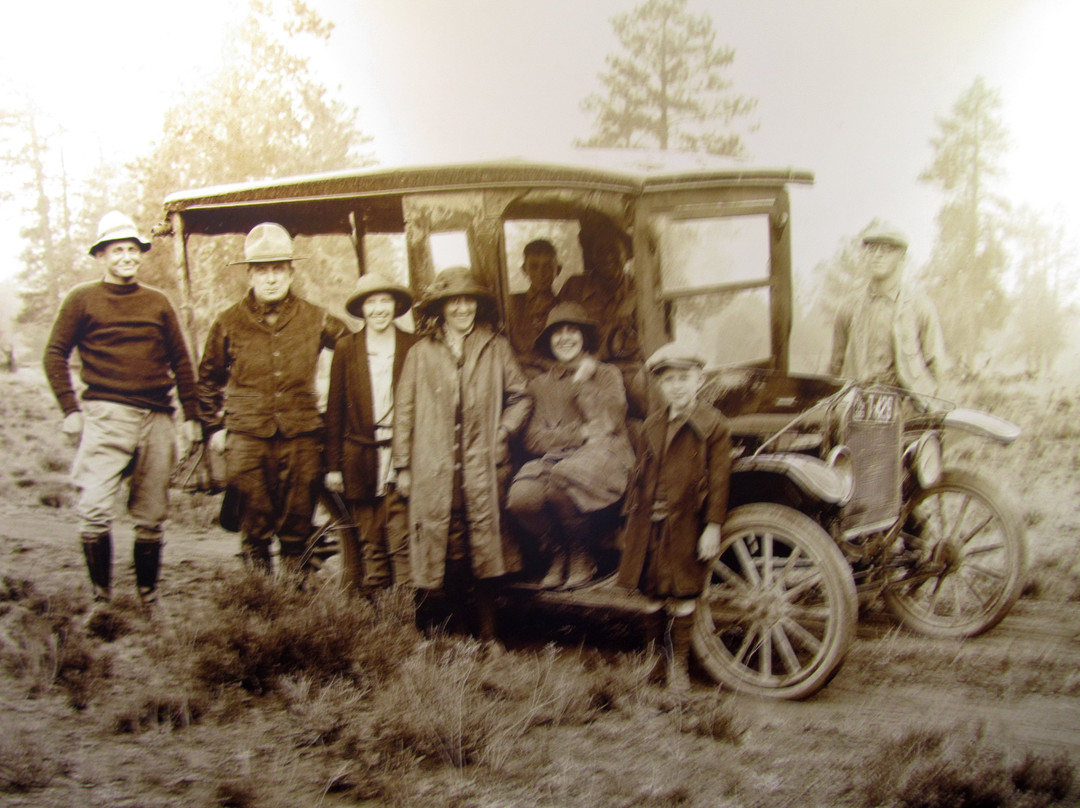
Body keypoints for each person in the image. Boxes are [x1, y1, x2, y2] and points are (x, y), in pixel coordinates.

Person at [44, 210, 202, 608]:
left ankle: (148, 599)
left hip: (158, 419)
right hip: (105, 417)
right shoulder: (82, 299)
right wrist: (70, 409)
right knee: (94, 507)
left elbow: (182, 362)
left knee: (151, 514)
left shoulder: (158, 303)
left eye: (133, 249)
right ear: (102, 255)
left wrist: (193, 419)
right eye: (118, 250)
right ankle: (102, 601)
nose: (127, 256)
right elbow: (54, 354)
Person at [392, 266, 532, 648]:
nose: (462, 309)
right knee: (446, 544)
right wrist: (403, 465)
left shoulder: (495, 347)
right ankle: (452, 634)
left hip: (480, 465)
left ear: (477, 306)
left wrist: (502, 430)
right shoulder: (421, 353)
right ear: (441, 308)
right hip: (433, 467)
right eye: (454, 302)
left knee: (483, 543)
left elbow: (521, 396)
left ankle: (489, 637)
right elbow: (404, 410)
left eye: (468, 301)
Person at [197, 222, 348, 574]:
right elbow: (207, 379)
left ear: (291, 272)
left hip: (302, 436)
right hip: (248, 438)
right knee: (255, 525)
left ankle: (293, 600)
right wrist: (214, 427)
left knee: (297, 523)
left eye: (278, 269)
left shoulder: (316, 317)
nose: (271, 278)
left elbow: (353, 348)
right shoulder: (228, 322)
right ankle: (261, 601)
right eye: (262, 270)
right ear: (250, 275)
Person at [616, 339, 731, 692]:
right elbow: (639, 478)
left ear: (699, 380)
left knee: (683, 593)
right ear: (660, 386)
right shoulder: (651, 425)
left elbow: (719, 480)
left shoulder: (714, 426)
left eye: (684, 378)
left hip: (686, 523)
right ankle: (655, 660)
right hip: (650, 521)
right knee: (651, 592)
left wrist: (712, 526)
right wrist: (630, 523)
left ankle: (679, 665)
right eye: (668, 381)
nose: (676, 386)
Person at [506, 302, 634, 589]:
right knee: (522, 496)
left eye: (572, 331)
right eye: (557, 333)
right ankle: (559, 551)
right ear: (549, 342)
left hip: (607, 457)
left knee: (561, 480)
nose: (565, 338)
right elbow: (533, 438)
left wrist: (583, 380)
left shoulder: (606, 374)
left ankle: (581, 554)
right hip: (558, 459)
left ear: (584, 336)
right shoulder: (539, 385)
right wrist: (578, 433)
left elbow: (609, 422)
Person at [324, 273, 417, 591]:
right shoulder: (346, 348)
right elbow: (335, 409)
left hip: (401, 452)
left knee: (401, 534)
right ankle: (380, 614)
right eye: (371, 302)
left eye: (385, 301)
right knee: (370, 535)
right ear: (362, 309)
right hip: (360, 455)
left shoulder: (412, 345)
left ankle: (408, 610)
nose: (379, 309)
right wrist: (334, 466)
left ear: (396, 305)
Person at [829, 222, 946, 403]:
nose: (877, 255)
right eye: (872, 248)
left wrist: (933, 408)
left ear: (902, 257)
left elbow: (935, 365)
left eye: (887, 249)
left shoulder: (920, 307)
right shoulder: (849, 307)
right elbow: (835, 367)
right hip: (859, 405)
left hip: (907, 408)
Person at [557, 223, 639, 365]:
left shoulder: (639, 288)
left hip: (629, 368)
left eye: (613, 250)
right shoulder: (574, 287)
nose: (607, 257)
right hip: (580, 368)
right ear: (592, 255)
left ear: (627, 253)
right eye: (600, 250)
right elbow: (558, 335)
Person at [506, 239, 558, 376]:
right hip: (519, 377)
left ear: (557, 269)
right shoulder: (511, 304)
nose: (541, 273)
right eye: (534, 266)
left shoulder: (564, 307)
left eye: (548, 266)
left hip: (557, 378)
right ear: (524, 269)